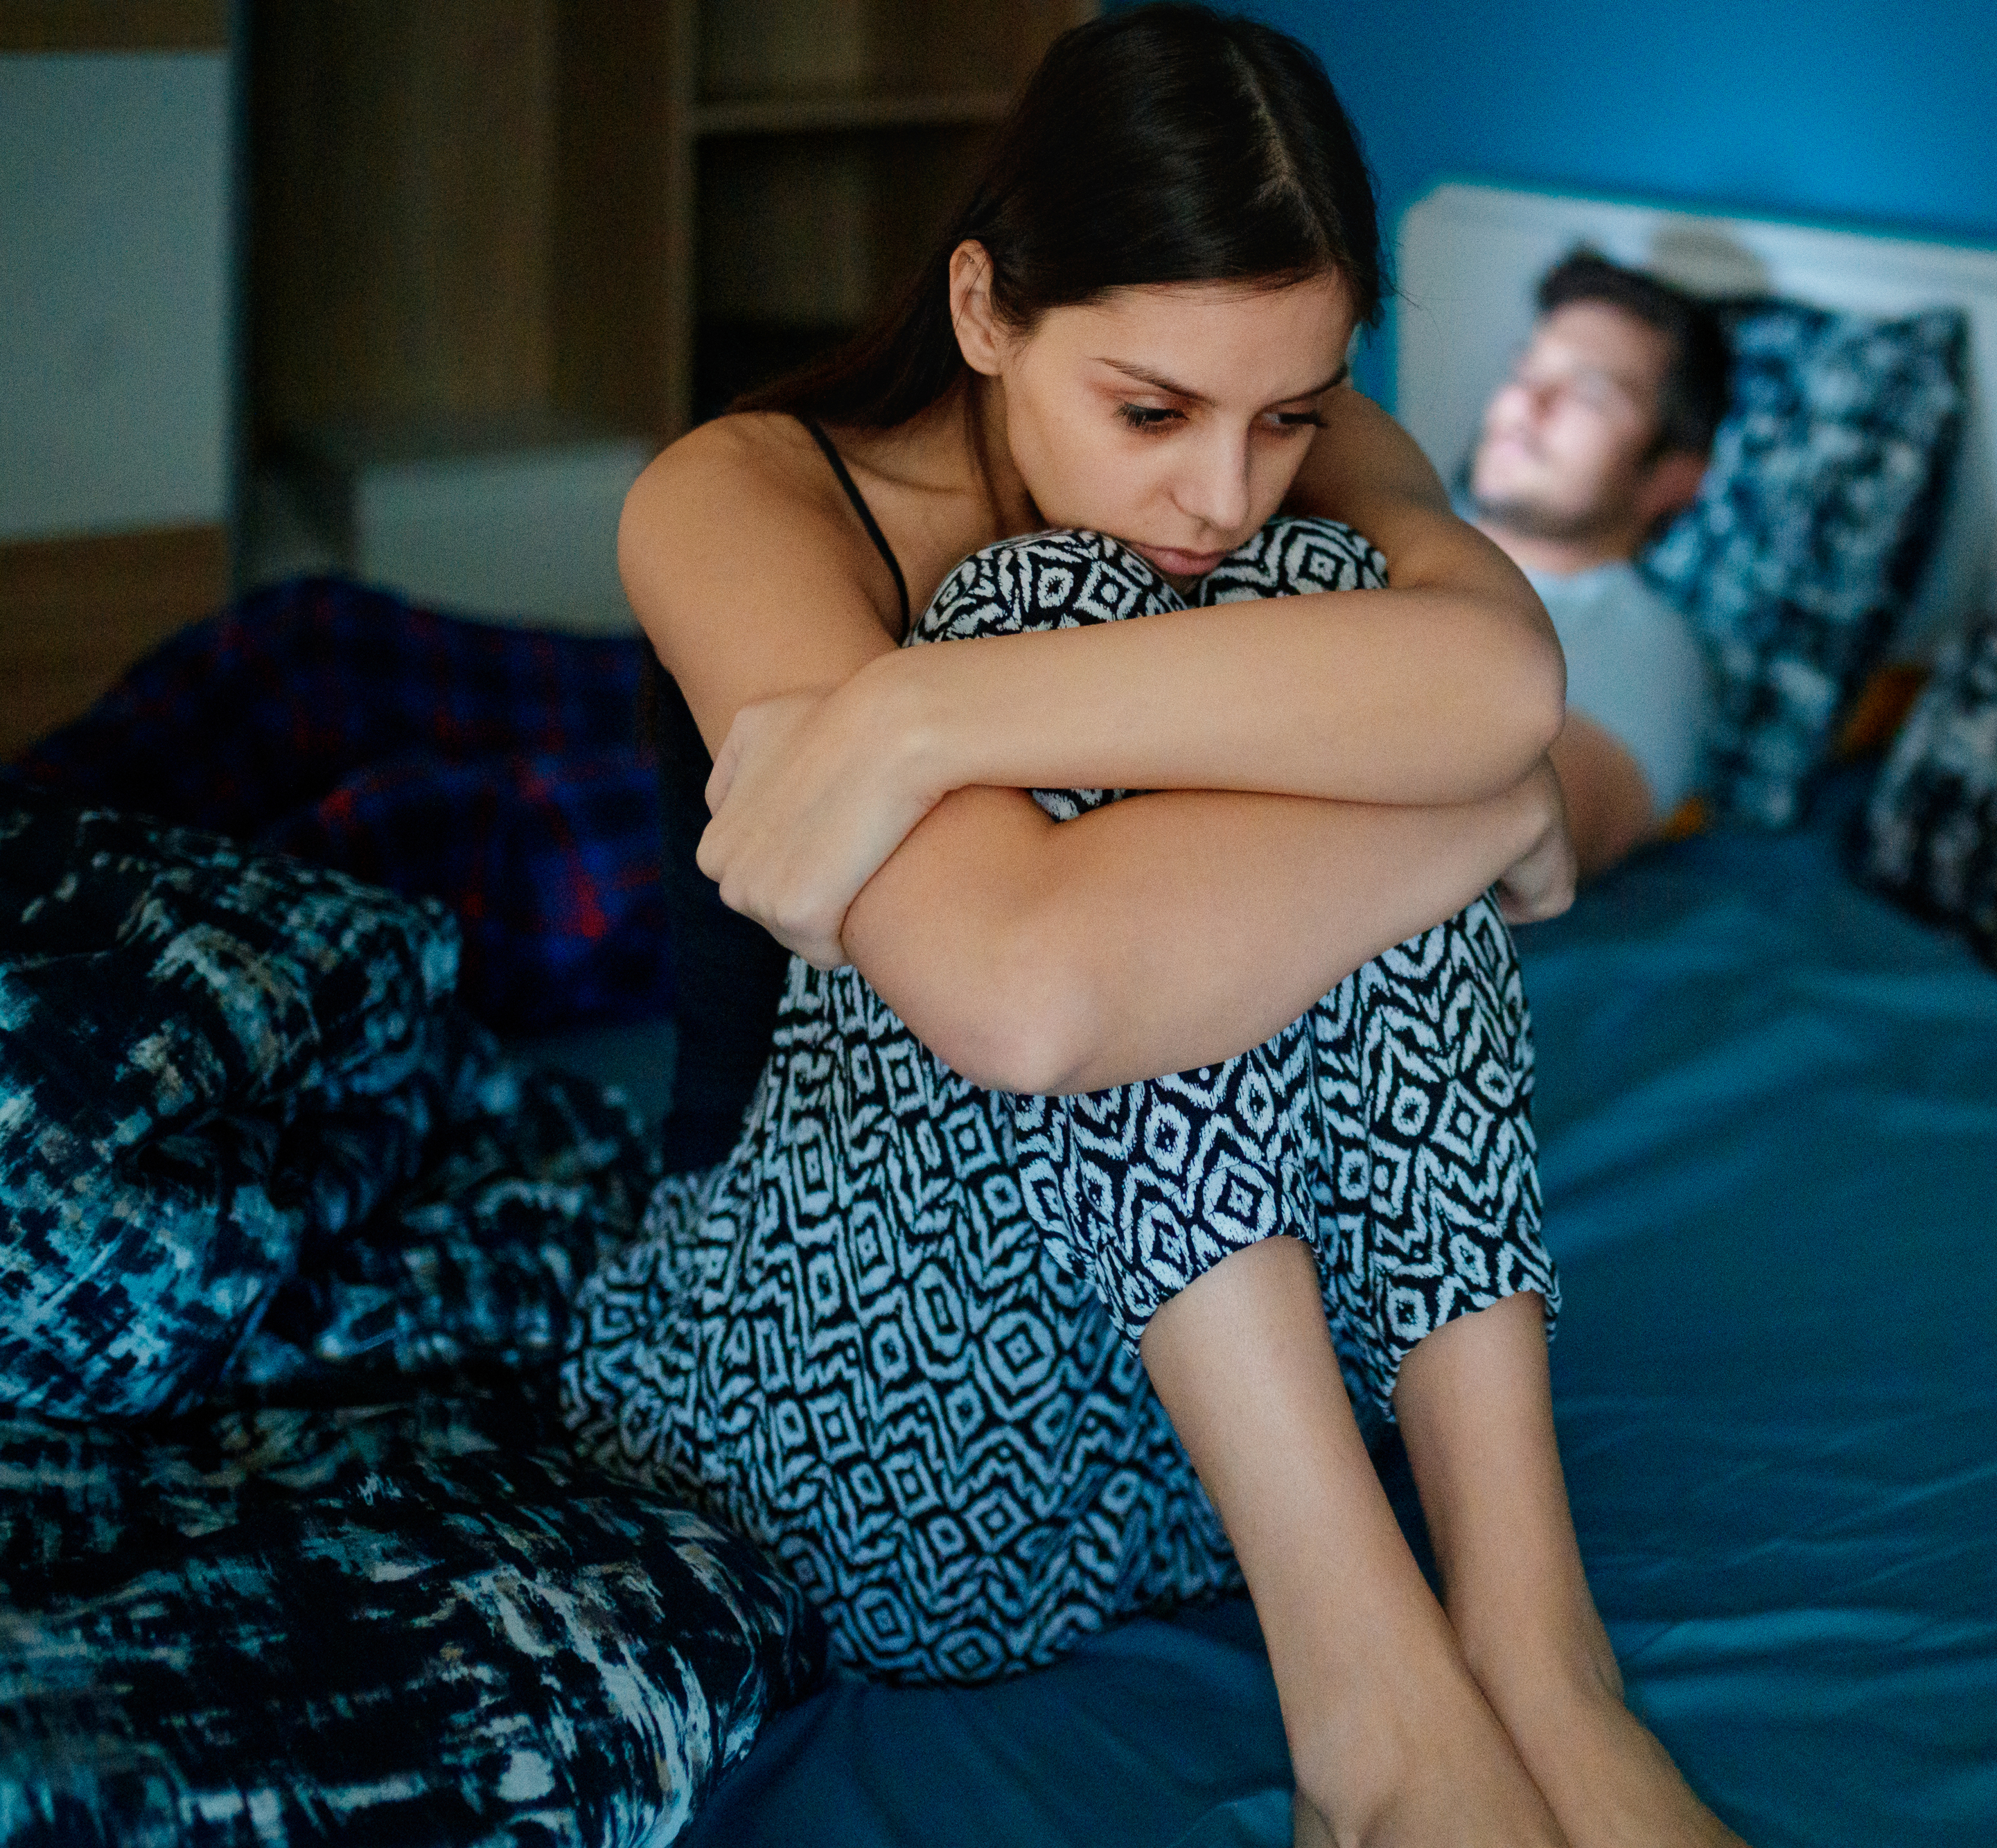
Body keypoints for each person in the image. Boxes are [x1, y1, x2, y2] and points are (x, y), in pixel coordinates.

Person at [559, 8, 1745, 1845]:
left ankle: (1536, 1654)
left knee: (1321, 625)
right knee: (1107, 615)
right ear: (982, 311)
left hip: (1232, 1443)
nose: (1222, 487)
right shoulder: (744, 495)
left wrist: (914, 721)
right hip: (864, 1442)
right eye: (1150, 409)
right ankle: (1384, 1724)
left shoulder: (1285, 456)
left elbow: (1507, 671)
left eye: (1290, 414)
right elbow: (1027, 990)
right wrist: (1471, 817)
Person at [1466, 254, 1729, 875]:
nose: (1528, 402)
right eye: (1527, 369)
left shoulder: (1649, 647)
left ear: (1672, 477)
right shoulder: (1383, 512)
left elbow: (1501, 828)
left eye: (1589, 392)